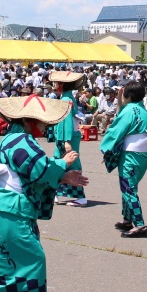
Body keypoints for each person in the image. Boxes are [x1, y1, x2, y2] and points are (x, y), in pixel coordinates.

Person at [0, 94, 86, 292]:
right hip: (9, 208)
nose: (45, 127)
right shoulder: (21, 142)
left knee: (0, 263)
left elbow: (30, 173)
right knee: (31, 258)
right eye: (42, 121)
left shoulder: (11, 140)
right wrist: (63, 164)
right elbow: (40, 169)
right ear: (27, 121)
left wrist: (62, 176)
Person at [100, 81, 147, 238]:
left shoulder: (129, 111)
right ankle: (127, 218)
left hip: (130, 155)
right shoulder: (143, 111)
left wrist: (107, 149)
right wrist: (119, 102)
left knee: (128, 189)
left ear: (128, 96)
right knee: (130, 187)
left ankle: (139, 224)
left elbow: (116, 130)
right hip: (142, 155)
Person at [49, 70, 88, 207]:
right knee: (59, 163)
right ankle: (54, 193)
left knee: (68, 163)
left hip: (66, 136)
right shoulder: (68, 98)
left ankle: (79, 196)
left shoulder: (66, 99)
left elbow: (66, 121)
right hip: (67, 135)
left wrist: (66, 141)